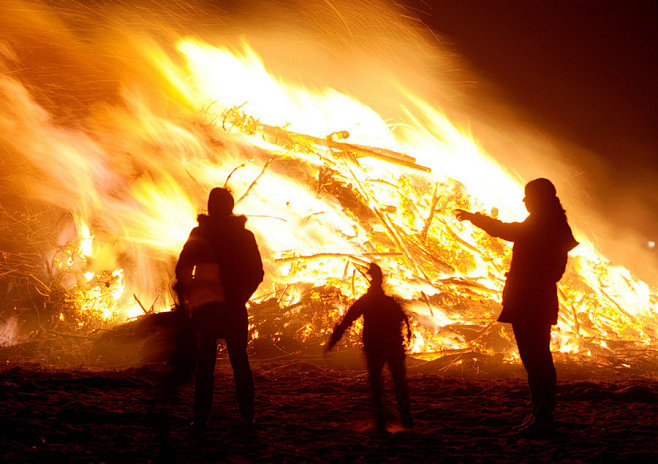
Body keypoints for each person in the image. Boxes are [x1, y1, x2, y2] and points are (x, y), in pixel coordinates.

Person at [455, 178, 578, 435]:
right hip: (536, 297)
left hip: (531, 300)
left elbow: (510, 231)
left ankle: (543, 416)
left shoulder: (544, 222)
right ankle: (540, 413)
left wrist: (476, 218)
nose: (524, 200)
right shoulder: (553, 221)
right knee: (536, 358)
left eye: (528, 196)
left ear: (539, 197)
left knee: (536, 359)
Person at [175, 187, 264, 431]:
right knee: (239, 361)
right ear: (230, 207)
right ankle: (248, 417)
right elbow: (257, 274)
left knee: (206, 364)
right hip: (231, 308)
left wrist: (197, 296)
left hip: (209, 309)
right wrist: (239, 298)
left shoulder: (200, 234)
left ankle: (202, 418)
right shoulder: (243, 236)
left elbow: (182, 270)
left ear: (212, 207)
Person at [325, 263, 413, 432]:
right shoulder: (390, 302)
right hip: (393, 346)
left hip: (376, 346)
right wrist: (404, 338)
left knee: (376, 382)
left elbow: (347, 321)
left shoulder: (367, 301)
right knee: (399, 382)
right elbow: (403, 321)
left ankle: (381, 420)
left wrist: (333, 341)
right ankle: (406, 420)